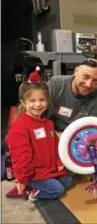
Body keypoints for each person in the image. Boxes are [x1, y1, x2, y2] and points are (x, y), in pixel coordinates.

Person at [6, 67, 72, 201]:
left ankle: (38, 187)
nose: (38, 104)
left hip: (48, 168)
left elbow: (55, 145)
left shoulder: (48, 123)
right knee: (57, 190)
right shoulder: (20, 127)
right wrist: (22, 178)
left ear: (47, 101)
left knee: (68, 181)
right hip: (32, 174)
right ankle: (28, 191)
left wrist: (59, 160)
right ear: (23, 103)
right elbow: (20, 155)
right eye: (32, 101)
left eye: (42, 100)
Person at [47, 58, 97, 133]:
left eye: (95, 81)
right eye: (86, 76)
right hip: (51, 134)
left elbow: (95, 131)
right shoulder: (55, 84)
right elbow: (38, 117)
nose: (88, 85)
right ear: (76, 71)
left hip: (78, 139)